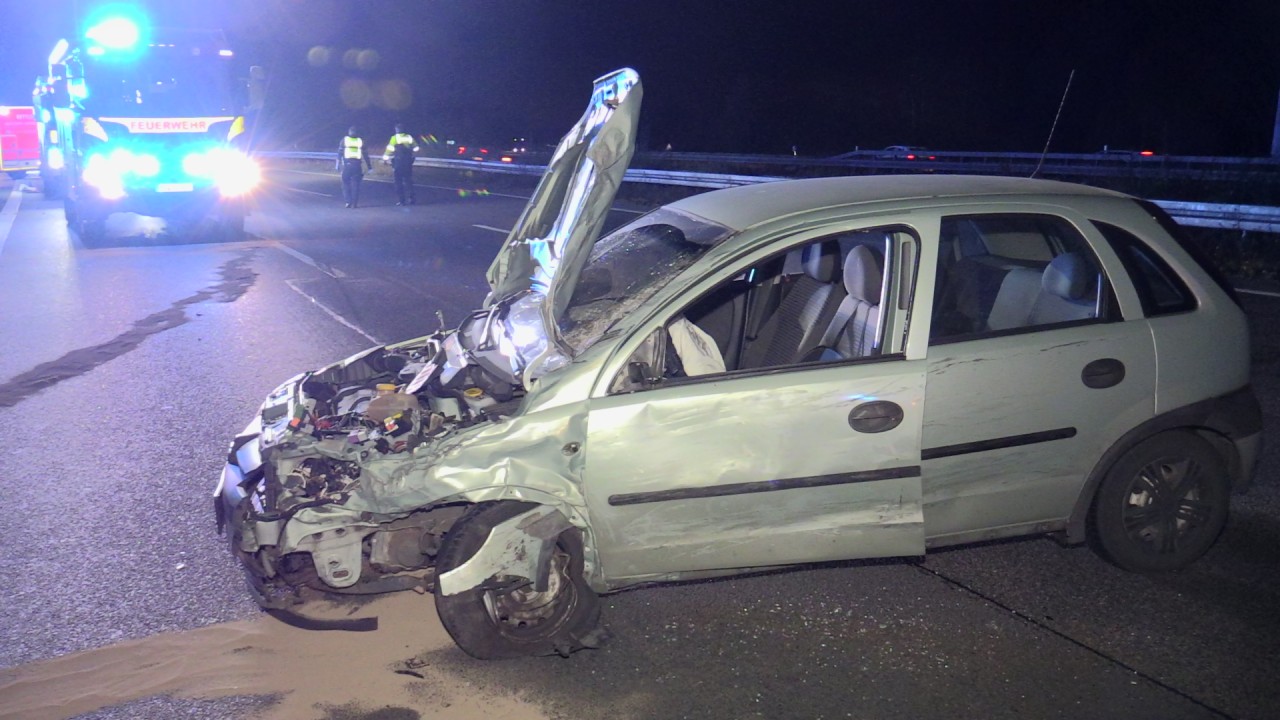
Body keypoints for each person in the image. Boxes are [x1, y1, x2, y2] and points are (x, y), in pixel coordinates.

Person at [384, 123, 419, 205]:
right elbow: (416, 148)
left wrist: (385, 158)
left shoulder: (394, 138)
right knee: (409, 181)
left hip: (398, 163)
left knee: (398, 182)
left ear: (396, 130)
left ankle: (401, 200)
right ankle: (411, 199)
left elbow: (389, 150)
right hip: (408, 163)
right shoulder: (409, 137)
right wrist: (410, 150)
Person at [337, 126, 372, 208]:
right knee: (356, 184)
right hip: (357, 165)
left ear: (349, 132)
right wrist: (370, 167)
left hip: (347, 165)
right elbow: (366, 155)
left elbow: (339, 153)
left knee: (345, 183)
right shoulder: (360, 141)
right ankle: (355, 203)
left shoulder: (344, 140)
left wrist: (338, 165)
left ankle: (348, 201)